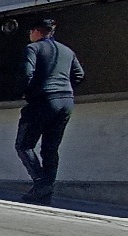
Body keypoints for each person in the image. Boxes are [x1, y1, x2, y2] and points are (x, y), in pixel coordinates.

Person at [15, 18, 86, 204]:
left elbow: (26, 73)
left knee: (24, 145)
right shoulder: (67, 51)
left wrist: (27, 92)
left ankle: (41, 183)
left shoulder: (33, 49)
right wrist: (64, 88)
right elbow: (79, 75)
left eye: (30, 31)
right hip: (66, 101)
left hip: (43, 100)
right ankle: (47, 189)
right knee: (50, 147)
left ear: (37, 31)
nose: (29, 35)